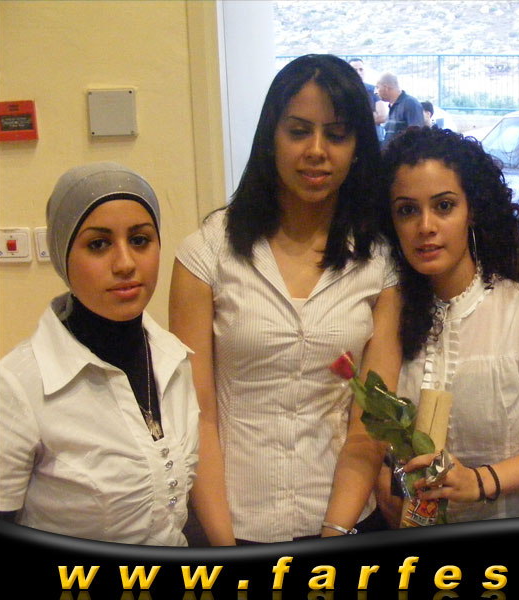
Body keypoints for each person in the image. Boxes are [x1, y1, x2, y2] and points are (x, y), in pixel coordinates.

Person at [169, 54, 402, 545]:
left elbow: (370, 422)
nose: (316, 151)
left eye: (336, 135)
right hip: (234, 524)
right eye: (298, 131)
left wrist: (334, 533)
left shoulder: (380, 263)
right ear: (270, 138)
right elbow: (198, 416)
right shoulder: (206, 255)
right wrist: (224, 544)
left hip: (344, 520)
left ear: (358, 148)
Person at [376, 127, 519, 524]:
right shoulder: (385, 319)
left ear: (472, 210)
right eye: (407, 210)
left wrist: (480, 481)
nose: (425, 226)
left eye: (443, 206)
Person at [0, 162, 199, 544]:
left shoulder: (174, 361)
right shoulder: (17, 387)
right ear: (63, 254)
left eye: (140, 240)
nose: (125, 264)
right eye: (98, 244)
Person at [376, 72, 425, 146]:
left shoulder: (410, 103)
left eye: (377, 87)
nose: (376, 92)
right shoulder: (392, 106)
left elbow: (417, 135)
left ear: (386, 87)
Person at [348, 57, 388, 143]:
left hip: (373, 139)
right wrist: (371, 115)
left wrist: (355, 118)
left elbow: (382, 116)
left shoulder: (373, 90)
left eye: (361, 69)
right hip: (350, 139)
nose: (358, 73)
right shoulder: (342, 91)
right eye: (354, 70)